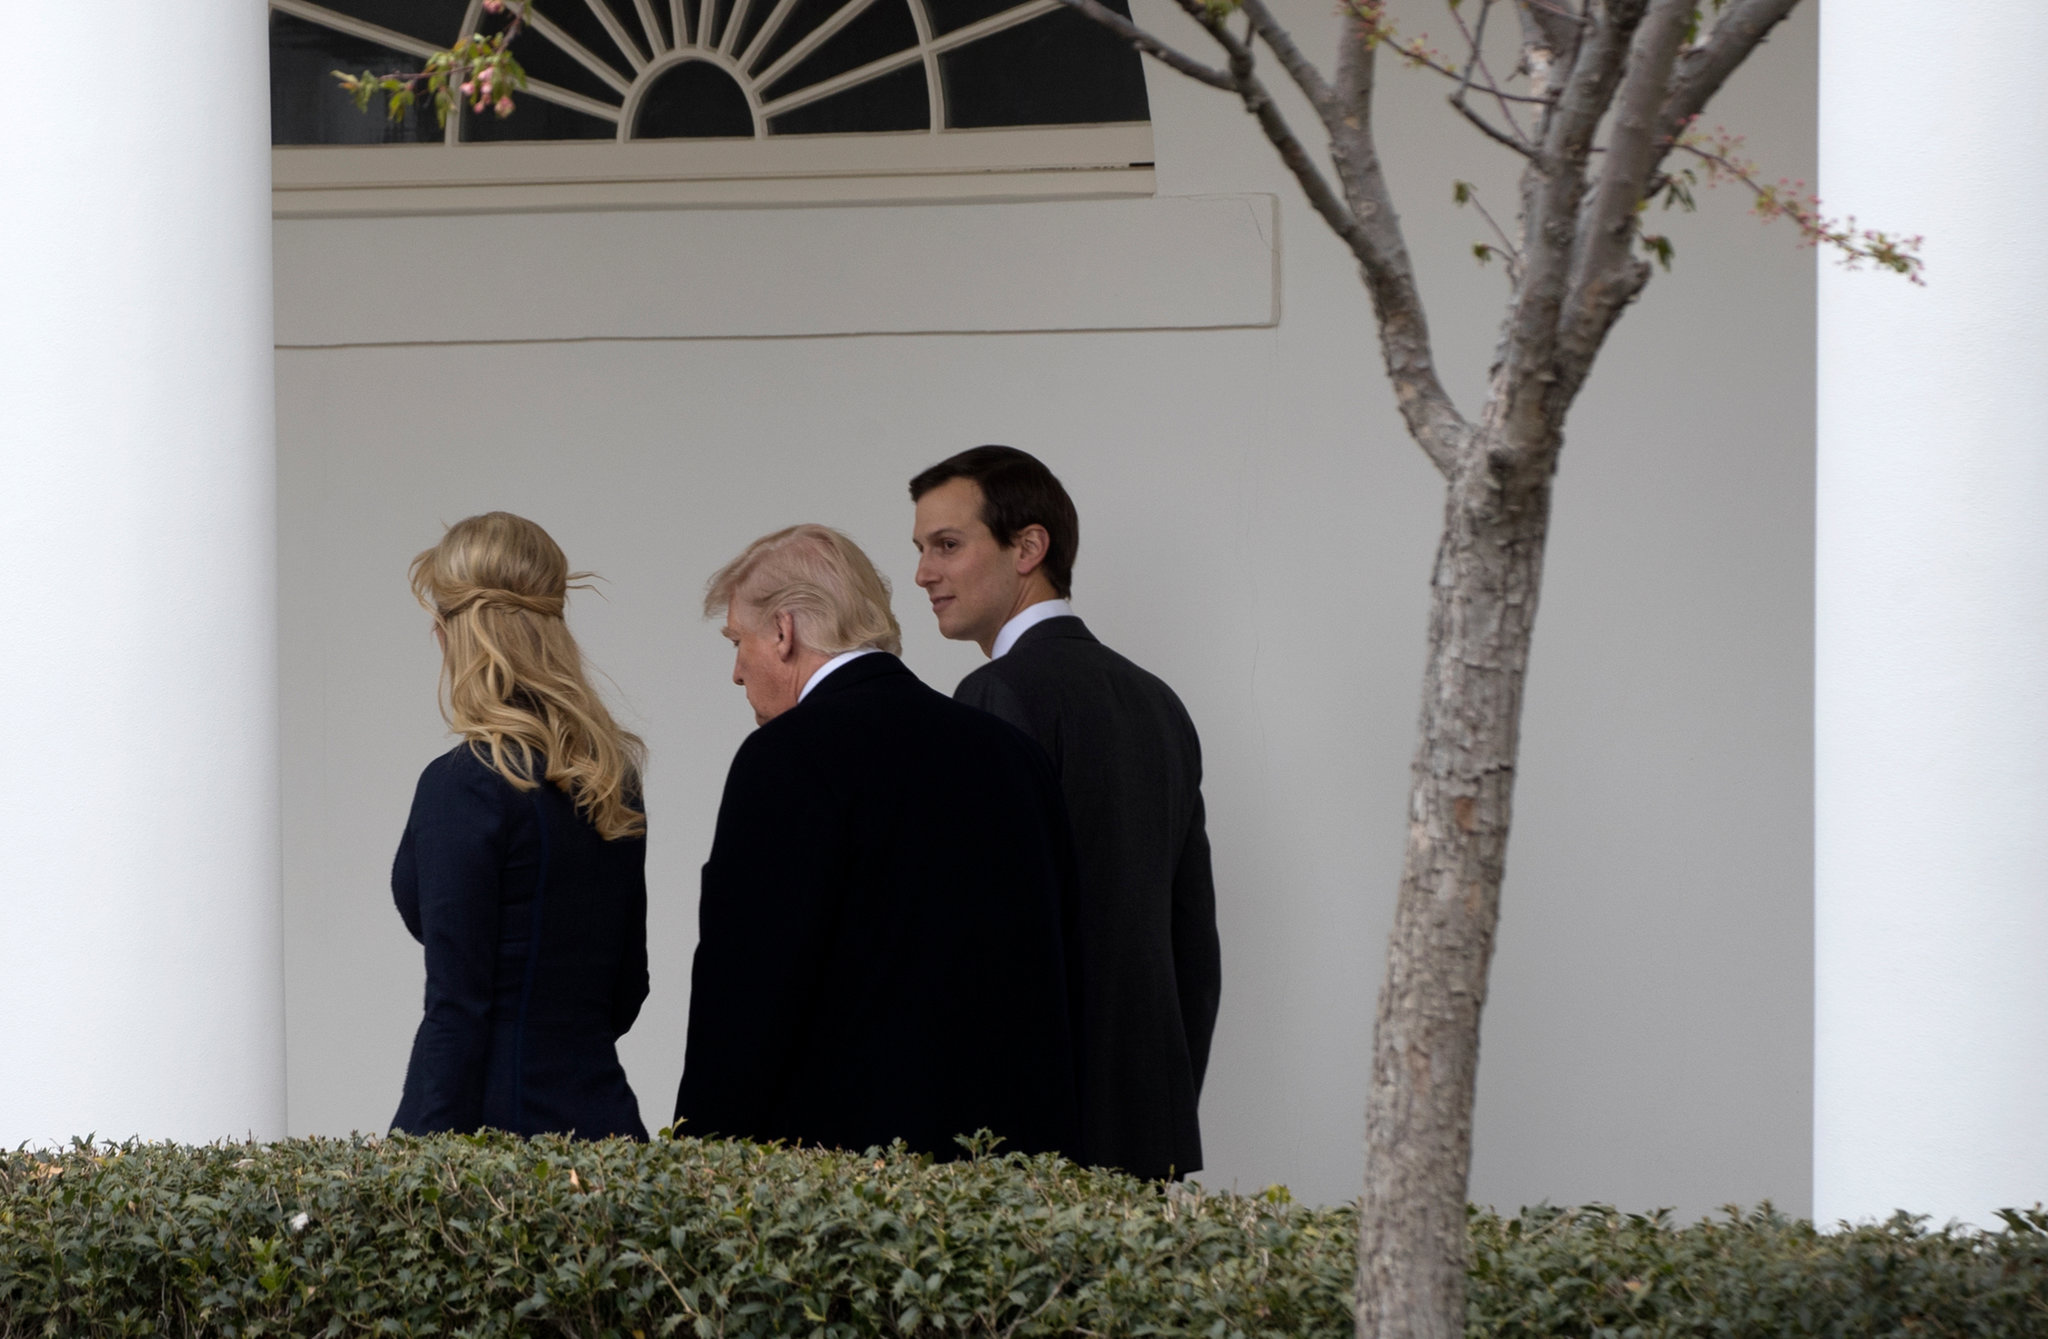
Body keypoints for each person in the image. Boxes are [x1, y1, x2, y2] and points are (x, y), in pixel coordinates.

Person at [675, 524, 1081, 1160]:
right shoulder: (1013, 755)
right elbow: (1059, 967)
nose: (735, 672)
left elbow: (746, 993)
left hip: (846, 1183)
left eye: (736, 641)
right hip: (1010, 1175)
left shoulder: (784, 757)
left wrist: (698, 1158)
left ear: (783, 631)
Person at [909, 446, 1221, 1181]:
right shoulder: (1160, 703)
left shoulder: (993, 695)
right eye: (921, 548)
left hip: (1029, 1144)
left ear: (1028, 548)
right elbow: (1192, 946)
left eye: (946, 545)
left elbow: (977, 940)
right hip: (1145, 1133)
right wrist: (1159, 1117)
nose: (923, 573)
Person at [391, 511, 650, 1140]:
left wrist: (419, 1171)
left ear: (455, 635)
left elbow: (456, 1009)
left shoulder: (465, 783)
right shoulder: (609, 778)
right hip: (606, 1130)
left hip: (493, 1147)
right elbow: (627, 988)